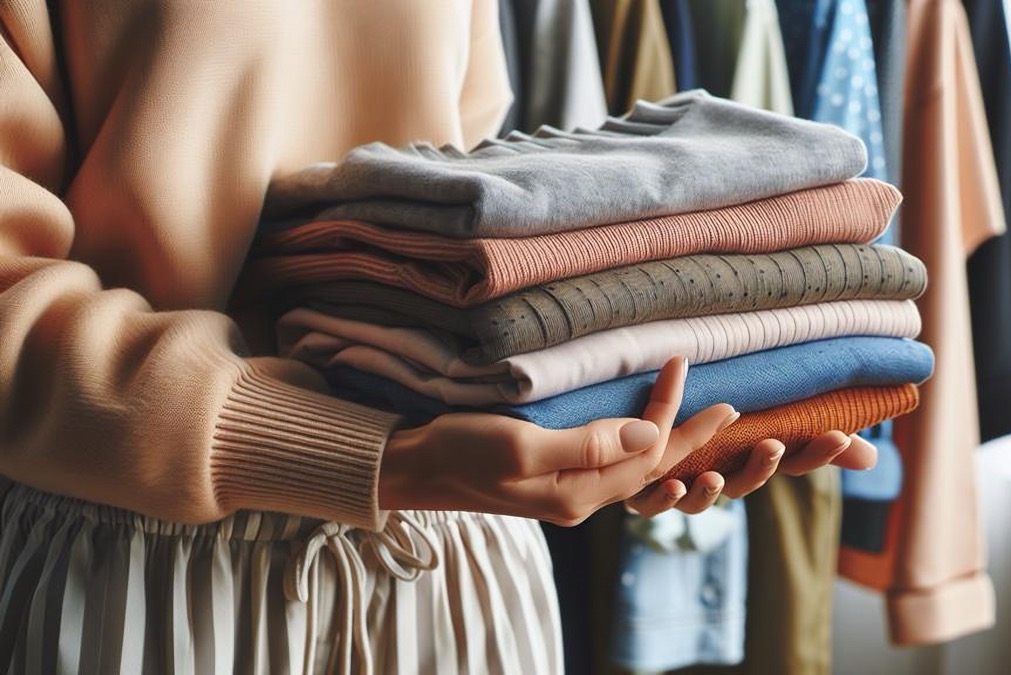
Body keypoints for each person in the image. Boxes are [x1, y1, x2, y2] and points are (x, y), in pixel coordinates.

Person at [0, 1, 875, 672]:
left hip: (457, 555)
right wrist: (378, 455)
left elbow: (474, 199)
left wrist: (595, 416)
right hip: (144, 569)